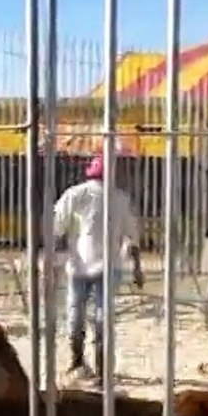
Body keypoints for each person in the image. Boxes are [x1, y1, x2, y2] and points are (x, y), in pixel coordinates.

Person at [53, 153, 144, 386]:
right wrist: (137, 268)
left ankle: (78, 361)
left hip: (79, 266)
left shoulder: (74, 194)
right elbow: (132, 237)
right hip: (107, 267)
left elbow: (55, 229)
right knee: (103, 320)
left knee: (75, 318)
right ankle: (102, 372)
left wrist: (51, 260)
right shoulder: (120, 199)